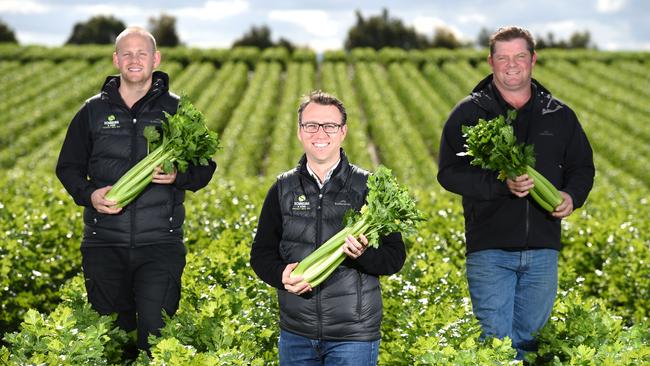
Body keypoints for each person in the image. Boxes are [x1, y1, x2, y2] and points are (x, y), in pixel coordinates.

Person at [437, 26, 595, 360]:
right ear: (491, 61)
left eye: (520, 56)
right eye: (503, 57)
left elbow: (582, 167)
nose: (512, 65)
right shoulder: (468, 113)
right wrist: (500, 186)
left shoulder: (559, 114)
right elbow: (449, 173)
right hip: (489, 248)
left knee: (530, 342)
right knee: (495, 342)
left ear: (533, 60)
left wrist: (571, 196)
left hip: (543, 249)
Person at [55, 26, 216, 355]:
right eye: (126, 53)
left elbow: (205, 168)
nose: (134, 59)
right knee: (112, 340)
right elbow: (67, 167)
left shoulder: (176, 111)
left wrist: (177, 176)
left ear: (156, 59)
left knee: (155, 340)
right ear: (116, 60)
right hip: (103, 244)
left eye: (141, 53)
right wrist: (89, 196)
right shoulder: (92, 111)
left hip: (160, 244)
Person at [250, 90, 406, 365]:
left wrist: (363, 254)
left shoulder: (369, 188)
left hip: (353, 335)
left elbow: (394, 258)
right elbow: (261, 254)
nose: (319, 133)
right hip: (296, 333)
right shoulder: (282, 188)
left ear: (343, 132)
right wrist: (280, 275)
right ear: (300, 132)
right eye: (311, 125)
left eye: (329, 126)